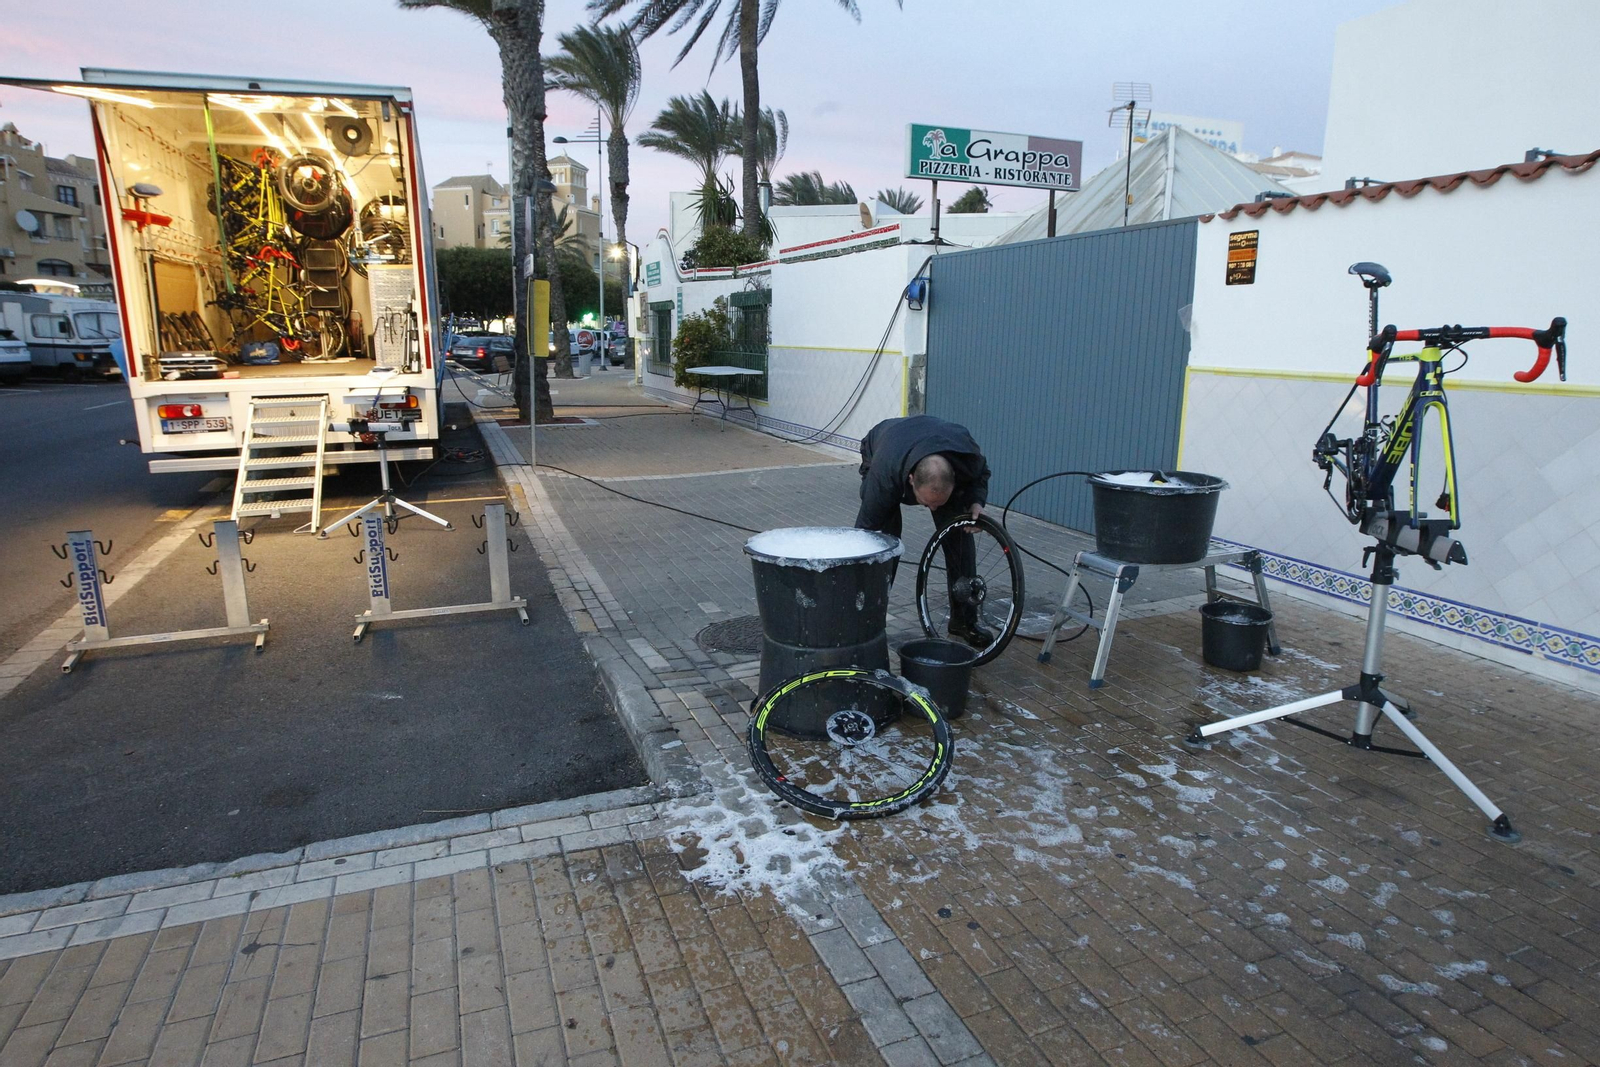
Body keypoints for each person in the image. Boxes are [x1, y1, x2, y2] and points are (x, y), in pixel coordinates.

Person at [854, 415, 994, 648]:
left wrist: (976, 502)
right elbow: (863, 534)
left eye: (938, 503)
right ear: (910, 481)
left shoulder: (966, 458)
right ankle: (868, 622)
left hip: (932, 444)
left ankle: (963, 622)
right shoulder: (885, 475)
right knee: (883, 542)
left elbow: (980, 476)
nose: (932, 509)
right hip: (883, 444)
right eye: (927, 503)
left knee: (958, 533)